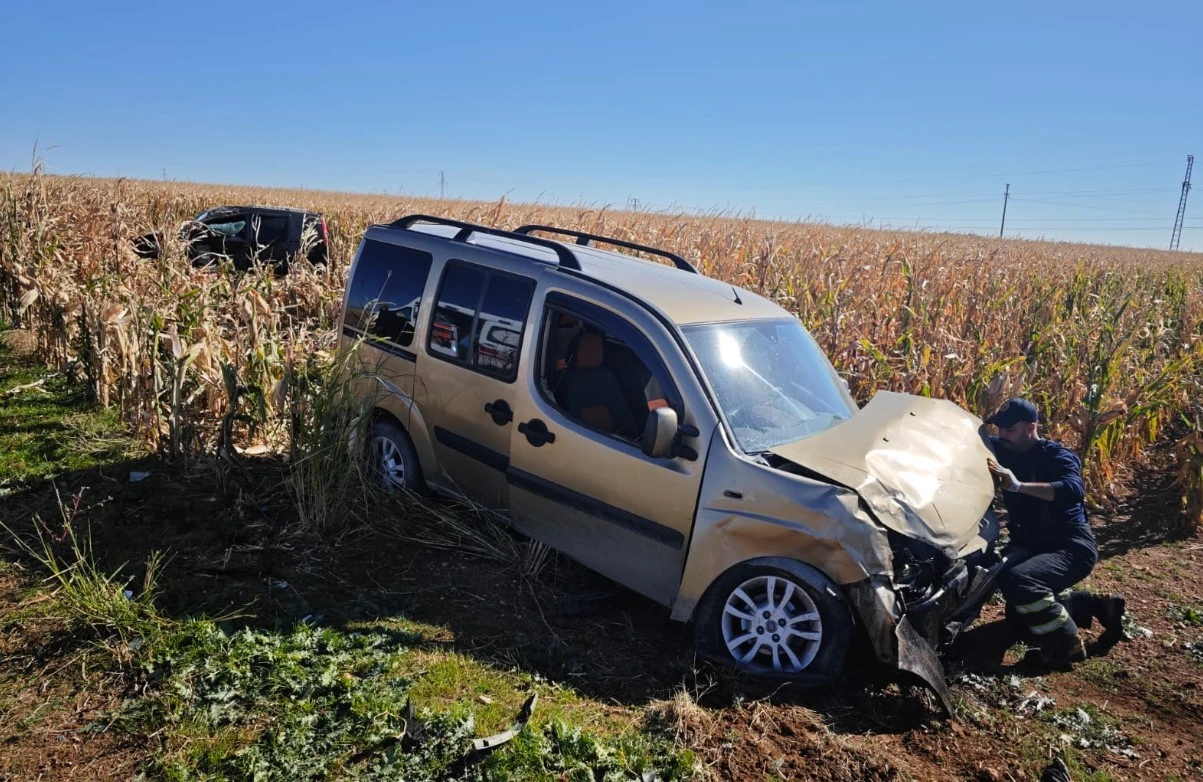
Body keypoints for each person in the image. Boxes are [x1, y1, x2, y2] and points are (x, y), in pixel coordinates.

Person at [985, 398, 1126, 670]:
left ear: (1031, 427)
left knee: (1020, 581)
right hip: (1034, 542)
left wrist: (1018, 486)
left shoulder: (1057, 456)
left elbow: (1073, 489)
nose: (1002, 435)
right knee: (1019, 617)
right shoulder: (1003, 449)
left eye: (1009, 429)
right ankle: (1094, 605)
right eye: (999, 428)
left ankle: (1065, 645)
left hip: (1070, 545)